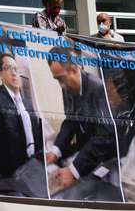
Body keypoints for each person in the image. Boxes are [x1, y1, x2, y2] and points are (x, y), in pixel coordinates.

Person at [45, 47, 118, 191]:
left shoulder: (99, 89)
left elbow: (104, 137)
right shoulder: (67, 88)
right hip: (84, 154)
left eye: (61, 79)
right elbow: (70, 122)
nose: (61, 85)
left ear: (73, 69)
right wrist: (55, 150)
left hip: (105, 159)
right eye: (57, 80)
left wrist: (73, 170)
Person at [0, 53, 44, 194]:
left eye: (16, 69)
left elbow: (38, 138)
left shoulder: (28, 104)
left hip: (32, 173)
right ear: (1, 74)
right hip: (9, 176)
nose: (14, 72)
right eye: (8, 68)